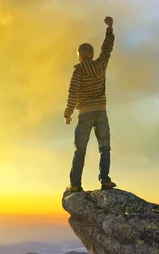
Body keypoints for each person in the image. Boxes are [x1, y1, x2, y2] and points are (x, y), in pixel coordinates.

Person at [64, 16, 117, 193]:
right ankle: (105, 180)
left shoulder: (78, 71)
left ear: (79, 56)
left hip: (85, 114)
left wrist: (68, 112)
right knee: (105, 148)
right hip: (101, 112)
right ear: (92, 55)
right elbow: (107, 48)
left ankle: (75, 184)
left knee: (80, 150)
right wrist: (109, 28)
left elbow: (73, 92)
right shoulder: (101, 64)